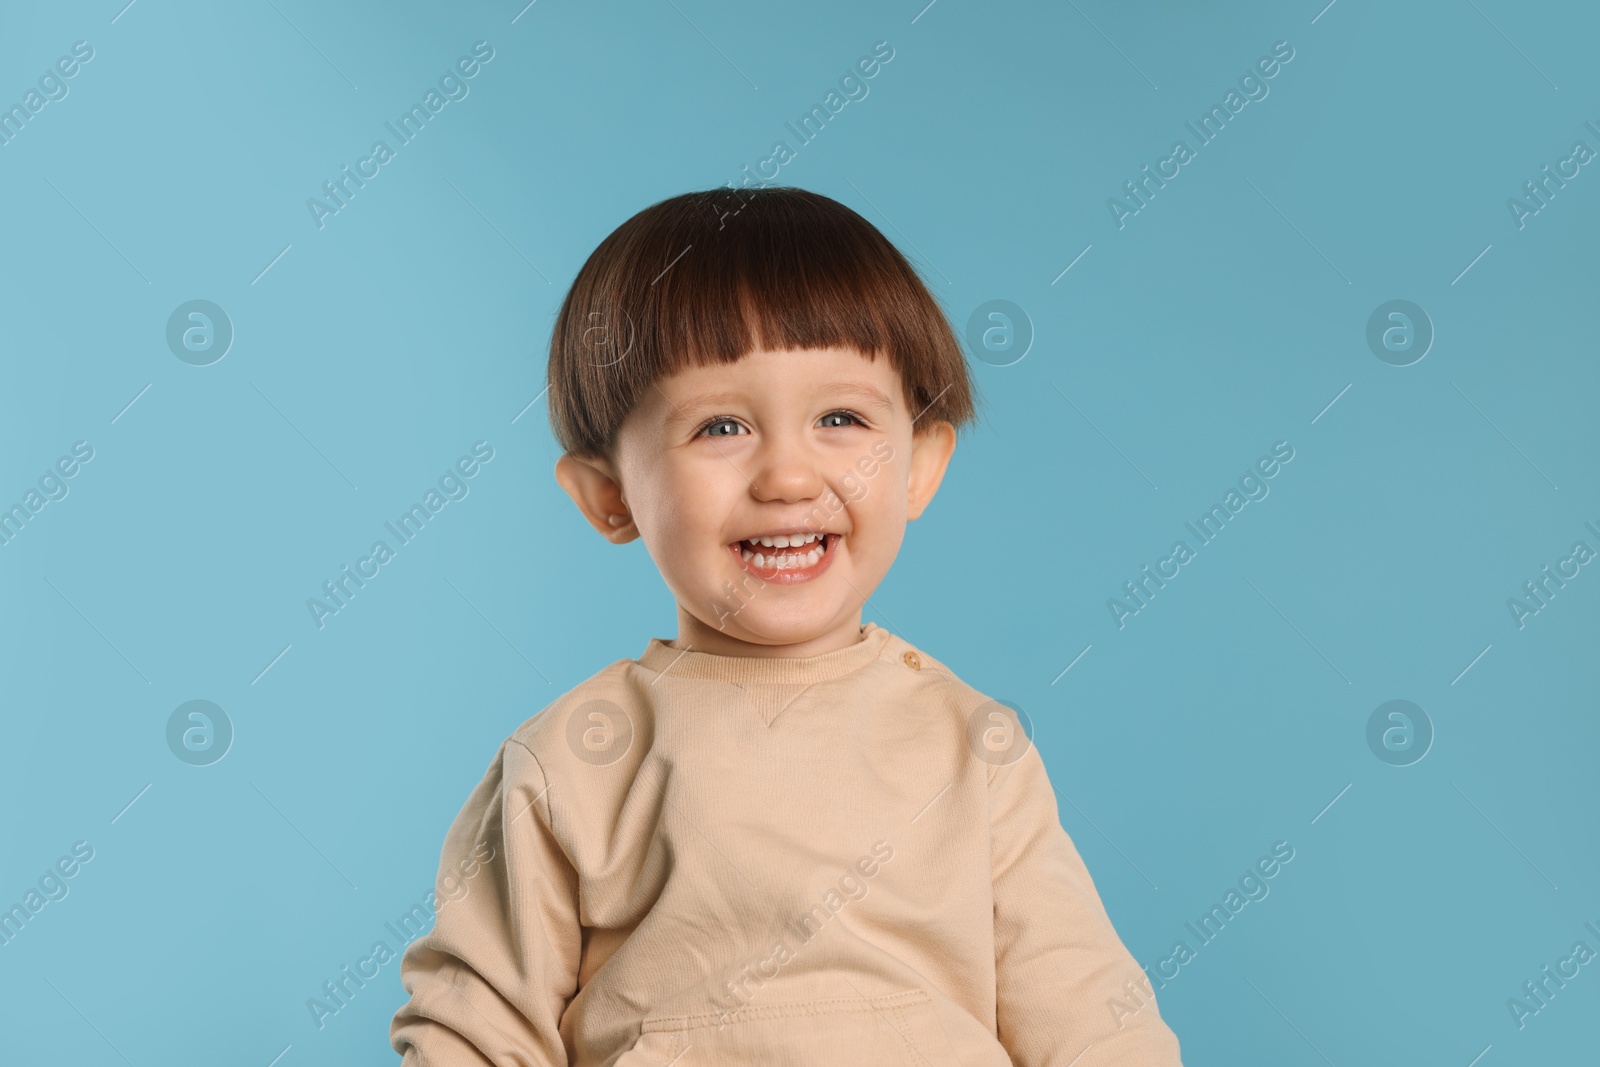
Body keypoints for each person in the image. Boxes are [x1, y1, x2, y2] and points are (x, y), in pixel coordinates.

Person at [390, 186, 1183, 1065]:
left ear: (919, 466)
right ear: (609, 494)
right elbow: (476, 1030)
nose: (789, 476)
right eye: (721, 425)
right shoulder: (574, 759)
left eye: (840, 419)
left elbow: (1091, 1018)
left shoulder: (972, 747)